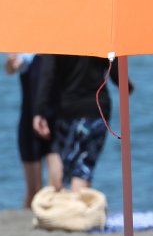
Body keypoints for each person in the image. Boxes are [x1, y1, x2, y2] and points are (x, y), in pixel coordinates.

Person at [33, 55, 132, 191]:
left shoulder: (55, 42)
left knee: (62, 165)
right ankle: (77, 203)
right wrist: (128, 86)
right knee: (83, 169)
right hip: (95, 109)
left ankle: (61, 200)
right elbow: (115, 72)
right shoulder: (101, 41)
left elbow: (47, 74)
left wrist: (39, 111)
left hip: (67, 109)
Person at [4, 53, 62, 208]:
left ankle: (51, 220)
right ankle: (26, 221)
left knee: (56, 188)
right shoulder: (28, 54)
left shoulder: (60, 50)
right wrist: (11, 63)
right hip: (29, 124)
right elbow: (11, 68)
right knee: (34, 191)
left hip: (55, 123)